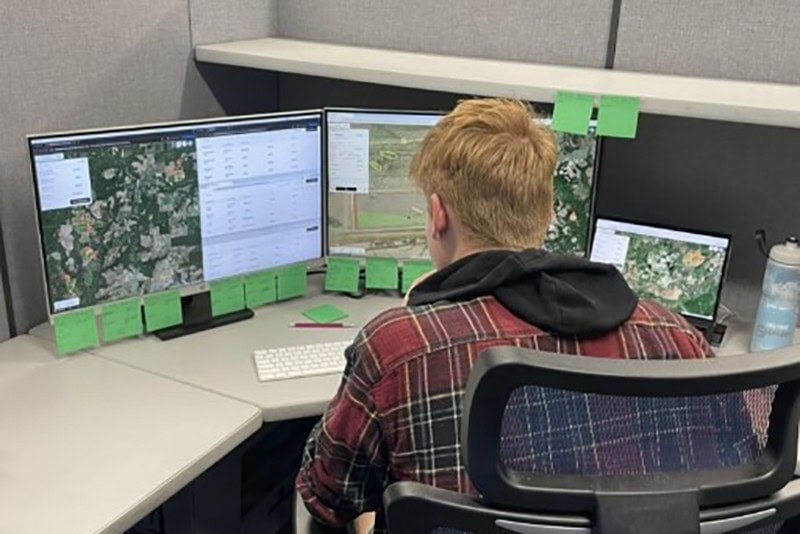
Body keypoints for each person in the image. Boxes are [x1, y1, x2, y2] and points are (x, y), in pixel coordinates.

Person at [295, 98, 748, 533]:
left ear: (437, 216)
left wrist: (404, 324)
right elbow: (735, 487)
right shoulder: (676, 336)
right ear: (548, 215)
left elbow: (325, 498)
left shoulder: (400, 349)